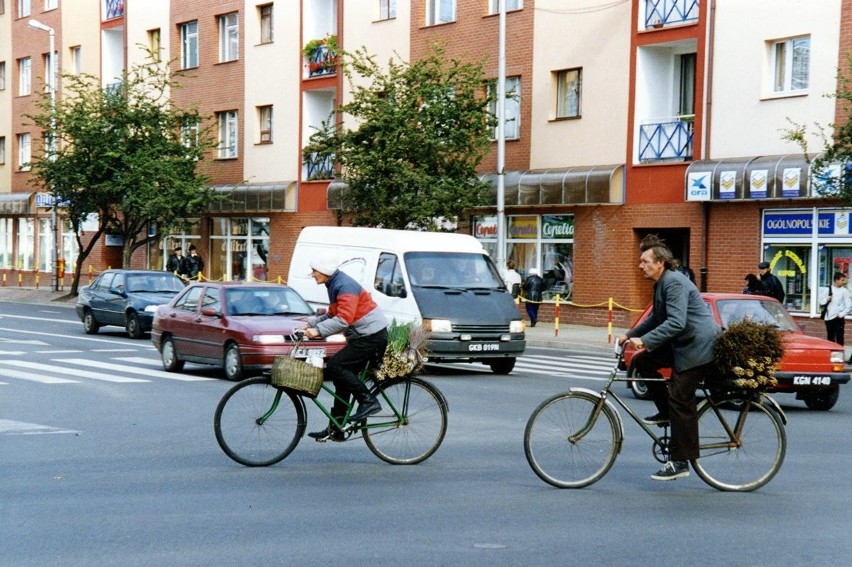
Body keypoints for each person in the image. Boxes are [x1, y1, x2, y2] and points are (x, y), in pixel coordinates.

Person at [618, 235, 721, 481]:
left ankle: (680, 461)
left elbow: (676, 322)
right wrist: (629, 335)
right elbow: (656, 318)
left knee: (680, 397)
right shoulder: (662, 284)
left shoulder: (673, 283)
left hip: (697, 346)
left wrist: (646, 340)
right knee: (642, 361)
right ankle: (665, 413)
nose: (640, 265)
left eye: (645, 261)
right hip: (683, 343)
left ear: (660, 263)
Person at [304, 256, 389, 442]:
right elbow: (333, 314)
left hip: (371, 336)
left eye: (315, 271)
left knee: (335, 366)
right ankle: (336, 428)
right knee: (341, 379)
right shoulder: (334, 284)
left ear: (325, 272)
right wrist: (309, 324)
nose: (312, 275)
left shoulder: (344, 286)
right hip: (363, 336)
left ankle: (369, 401)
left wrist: (317, 331)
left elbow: (344, 319)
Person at [821, 271, 852, 346]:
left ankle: (840, 354)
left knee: (840, 338)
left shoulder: (845, 291)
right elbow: (821, 302)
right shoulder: (827, 289)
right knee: (830, 337)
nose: (844, 282)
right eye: (842, 280)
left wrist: (841, 314)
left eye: (844, 280)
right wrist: (826, 299)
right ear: (836, 280)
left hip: (838, 318)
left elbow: (849, 305)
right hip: (828, 318)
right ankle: (831, 354)